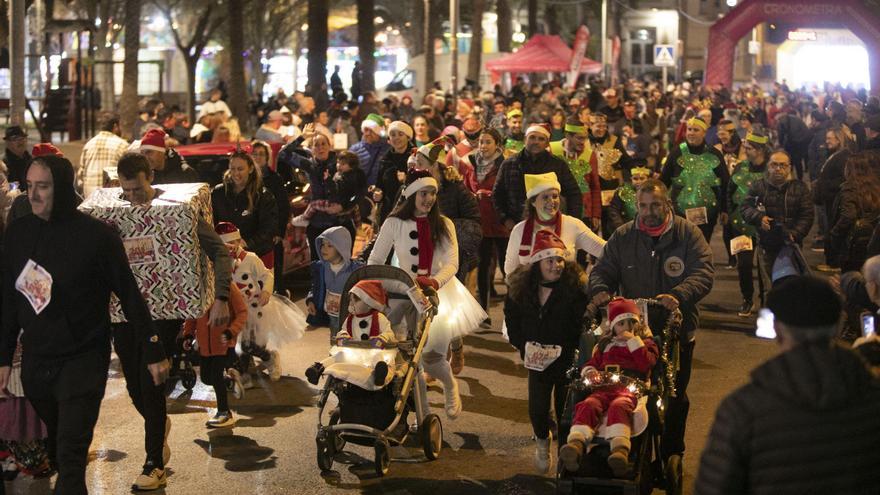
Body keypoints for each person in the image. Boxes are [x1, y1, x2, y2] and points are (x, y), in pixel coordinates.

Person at [0, 154, 169, 494]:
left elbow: (129, 292)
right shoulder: (18, 233)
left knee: (72, 455)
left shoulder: (96, 236)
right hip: (37, 363)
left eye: (42, 187)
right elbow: (8, 298)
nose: (32, 195)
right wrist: (3, 357)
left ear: (61, 189)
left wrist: (153, 348)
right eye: (29, 186)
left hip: (83, 358)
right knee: (61, 452)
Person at [695, 276, 880, 494]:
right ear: (839, 324)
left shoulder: (743, 409)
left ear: (778, 329)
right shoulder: (871, 395)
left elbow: (716, 486)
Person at [115, 152, 232, 490]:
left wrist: (221, 295)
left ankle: (154, 463)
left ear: (149, 176)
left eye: (139, 189)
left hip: (166, 310)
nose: (134, 198)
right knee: (135, 387)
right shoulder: (115, 213)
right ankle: (157, 424)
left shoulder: (178, 212)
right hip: (124, 312)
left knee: (151, 381)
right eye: (127, 192)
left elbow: (219, 251)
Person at [590, 178, 714, 460]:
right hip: (633, 334)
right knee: (627, 391)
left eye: (655, 205)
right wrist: (599, 291)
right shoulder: (623, 236)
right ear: (636, 206)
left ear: (667, 204)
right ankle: (629, 447)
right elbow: (602, 270)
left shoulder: (688, 234)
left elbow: (704, 272)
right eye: (643, 206)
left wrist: (679, 295)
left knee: (674, 396)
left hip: (676, 331)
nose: (648, 211)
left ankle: (672, 452)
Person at [367, 169, 487, 420]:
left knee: (432, 358)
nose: (429, 198)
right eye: (424, 193)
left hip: (437, 295)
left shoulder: (445, 224)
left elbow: (452, 263)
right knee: (406, 362)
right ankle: (421, 417)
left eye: (433, 193)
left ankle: (450, 385)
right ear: (411, 194)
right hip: (402, 297)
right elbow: (376, 260)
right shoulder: (393, 223)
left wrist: (434, 281)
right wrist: (397, 285)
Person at [505, 230, 588, 473]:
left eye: (560, 260)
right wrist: (522, 345)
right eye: (549, 261)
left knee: (566, 414)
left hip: (565, 361)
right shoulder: (521, 288)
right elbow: (512, 319)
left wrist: (574, 350)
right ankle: (543, 441)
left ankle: (565, 458)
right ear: (538, 262)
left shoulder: (573, 289)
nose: (556, 266)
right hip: (537, 361)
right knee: (537, 411)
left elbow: (581, 323)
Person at [559, 298, 659, 476]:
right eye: (621, 324)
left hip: (629, 390)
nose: (627, 328)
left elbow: (646, 364)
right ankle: (576, 444)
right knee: (588, 404)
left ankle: (620, 450)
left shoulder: (645, 344)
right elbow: (592, 363)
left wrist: (634, 341)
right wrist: (589, 371)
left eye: (631, 323)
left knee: (619, 406)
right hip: (603, 389)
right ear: (613, 326)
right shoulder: (605, 345)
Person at [215, 222, 305, 384]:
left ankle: (269, 356)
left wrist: (266, 292)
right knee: (237, 345)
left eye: (233, 242)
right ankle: (242, 375)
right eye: (225, 244)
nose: (230, 247)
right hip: (233, 310)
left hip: (253, 307)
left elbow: (267, 275)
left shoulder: (250, 258)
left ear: (239, 241)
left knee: (249, 344)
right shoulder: (219, 261)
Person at [504, 172, 605, 275]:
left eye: (555, 196)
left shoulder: (573, 225)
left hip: (565, 289)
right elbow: (510, 271)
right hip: (531, 290)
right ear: (533, 202)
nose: (551, 201)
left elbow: (606, 251)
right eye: (545, 197)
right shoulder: (519, 230)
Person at [741, 150, 814, 286]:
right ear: (768, 166)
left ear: (789, 167)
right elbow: (745, 207)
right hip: (766, 243)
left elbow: (807, 214)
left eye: (783, 165)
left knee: (790, 284)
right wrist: (759, 218)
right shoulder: (758, 186)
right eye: (774, 165)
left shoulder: (799, 188)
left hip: (791, 243)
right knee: (768, 285)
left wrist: (796, 233)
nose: (778, 169)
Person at [304, 280, 395, 388]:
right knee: (339, 355)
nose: (351, 304)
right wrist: (343, 336)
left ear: (368, 303)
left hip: (373, 350)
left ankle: (379, 372)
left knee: (378, 356)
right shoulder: (350, 319)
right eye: (350, 301)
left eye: (354, 301)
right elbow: (343, 330)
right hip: (354, 350)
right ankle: (319, 368)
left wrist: (382, 338)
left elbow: (389, 332)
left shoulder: (379, 318)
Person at [493, 123, 583, 232]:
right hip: (517, 226)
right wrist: (505, 219)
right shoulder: (508, 164)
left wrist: (571, 222)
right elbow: (497, 195)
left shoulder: (558, 165)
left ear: (547, 144)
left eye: (541, 139)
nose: (536, 142)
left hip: (552, 227)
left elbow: (573, 194)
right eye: (532, 137)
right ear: (525, 139)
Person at [181, 282, 247, 427]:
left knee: (216, 377)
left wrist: (231, 331)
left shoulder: (227, 286)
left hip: (223, 344)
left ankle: (225, 412)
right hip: (204, 346)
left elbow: (242, 312)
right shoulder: (198, 286)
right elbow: (193, 314)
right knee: (206, 378)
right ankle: (229, 381)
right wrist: (188, 334)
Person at [461, 128, 508, 325]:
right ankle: (483, 311)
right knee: (482, 265)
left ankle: (514, 307)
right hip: (480, 223)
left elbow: (510, 190)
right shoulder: (471, 165)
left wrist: (490, 194)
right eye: (481, 142)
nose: (483, 146)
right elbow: (464, 189)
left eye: (488, 142)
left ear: (497, 144)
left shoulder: (504, 166)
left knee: (507, 266)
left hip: (502, 223)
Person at [661, 116, 730, 244]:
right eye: (689, 129)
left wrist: (725, 209)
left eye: (696, 130)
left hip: (707, 212)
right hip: (679, 211)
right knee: (681, 244)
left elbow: (726, 183)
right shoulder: (676, 153)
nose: (691, 133)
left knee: (701, 244)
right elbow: (663, 181)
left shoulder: (714, 154)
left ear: (704, 133)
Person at [727, 131, 771, 317]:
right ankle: (747, 298)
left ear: (760, 150)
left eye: (749, 148)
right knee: (744, 264)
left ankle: (765, 302)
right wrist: (729, 214)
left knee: (764, 268)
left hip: (764, 226)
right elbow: (730, 191)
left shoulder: (770, 170)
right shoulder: (740, 167)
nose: (745, 151)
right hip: (741, 224)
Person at [212, 151, 279, 267]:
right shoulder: (219, 193)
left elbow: (269, 229)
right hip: (227, 258)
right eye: (232, 169)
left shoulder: (263, 196)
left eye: (240, 169)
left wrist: (246, 243)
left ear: (251, 169)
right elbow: (212, 222)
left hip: (258, 257)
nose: (236, 173)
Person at [305, 226, 363, 334]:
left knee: (350, 343)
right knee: (335, 340)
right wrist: (311, 300)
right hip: (331, 315)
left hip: (350, 316)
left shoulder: (355, 270)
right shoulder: (321, 268)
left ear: (341, 247)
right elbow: (316, 286)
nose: (324, 249)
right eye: (322, 245)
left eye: (330, 245)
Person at [829, 151, 880, 272]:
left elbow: (848, 216)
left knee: (850, 279)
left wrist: (834, 234)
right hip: (872, 243)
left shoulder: (849, 189)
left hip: (852, 245)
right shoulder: (876, 187)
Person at [549, 116, 602, 231]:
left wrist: (596, 214)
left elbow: (595, 186)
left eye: (585, 138)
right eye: (579, 138)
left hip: (584, 211)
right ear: (568, 136)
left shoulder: (590, 155)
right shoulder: (552, 150)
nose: (583, 142)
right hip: (557, 209)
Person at [815, 125, 857, 271]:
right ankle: (831, 260)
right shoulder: (834, 154)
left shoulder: (843, 156)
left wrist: (825, 184)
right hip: (829, 199)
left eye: (829, 138)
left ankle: (834, 263)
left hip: (834, 200)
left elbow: (843, 178)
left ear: (838, 139)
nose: (826, 141)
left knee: (832, 229)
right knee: (828, 229)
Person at [587, 113, 634, 238]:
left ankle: (611, 250)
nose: (602, 129)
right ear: (590, 125)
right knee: (592, 222)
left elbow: (626, 161)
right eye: (598, 126)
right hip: (590, 187)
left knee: (610, 221)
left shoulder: (613, 141)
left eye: (604, 126)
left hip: (610, 187)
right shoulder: (585, 142)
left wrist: (639, 170)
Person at [251, 140, 289, 289]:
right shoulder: (247, 179)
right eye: (255, 154)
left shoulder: (274, 179)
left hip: (271, 234)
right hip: (253, 232)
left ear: (267, 158)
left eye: (261, 154)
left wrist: (279, 231)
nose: (258, 157)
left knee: (272, 273)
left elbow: (283, 206)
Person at [79, 112, 130, 198]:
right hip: (113, 200)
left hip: (90, 199)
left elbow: (80, 176)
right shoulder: (122, 145)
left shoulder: (88, 145)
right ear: (115, 126)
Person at [376, 121, 415, 221]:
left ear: (408, 137)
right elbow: (379, 185)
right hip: (389, 212)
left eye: (400, 134)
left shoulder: (416, 157)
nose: (396, 138)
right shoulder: (385, 160)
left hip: (411, 211)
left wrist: (407, 180)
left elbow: (424, 183)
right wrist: (378, 194)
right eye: (393, 135)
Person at [349, 113, 391, 187]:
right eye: (366, 130)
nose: (368, 133)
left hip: (380, 192)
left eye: (372, 130)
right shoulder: (354, 150)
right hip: (360, 192)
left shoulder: (388, 149)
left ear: (379, 132)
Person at [606, 165, 650, 232]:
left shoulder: (653, 192)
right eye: (635, 179)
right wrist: (621, 226)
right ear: (631, 179)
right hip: (627, 227)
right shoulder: (623, 191)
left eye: (642, 178)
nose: (638, 182)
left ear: (648, 179)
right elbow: (613, 209)